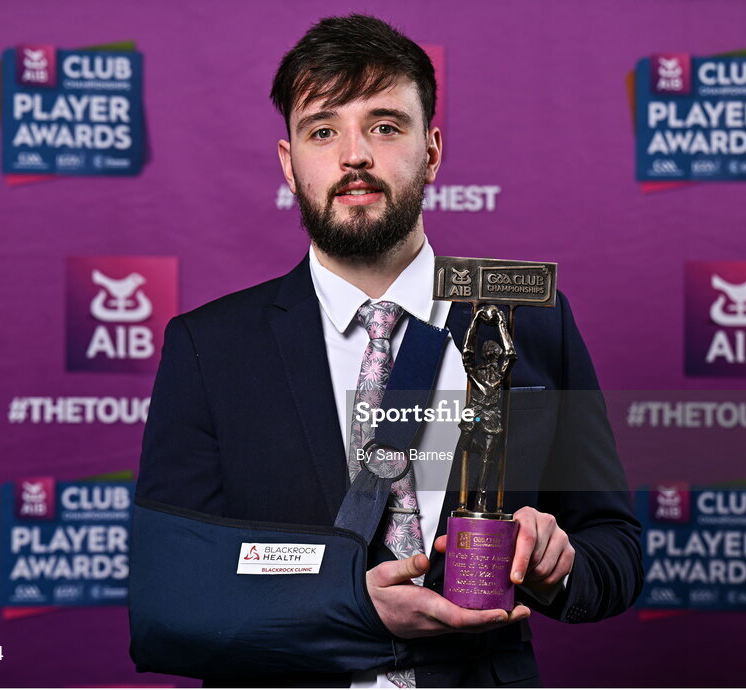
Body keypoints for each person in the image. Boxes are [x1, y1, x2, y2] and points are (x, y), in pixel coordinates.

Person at [130, 14, 642, 688]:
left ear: (431, 151)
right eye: (323, 130)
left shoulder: (532, 325)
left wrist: (559, 562)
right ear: (289, 165)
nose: (354, 156)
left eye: (385, 125)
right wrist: (352, 605)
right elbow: (173, 599)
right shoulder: (209, 348)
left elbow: (617, 553)